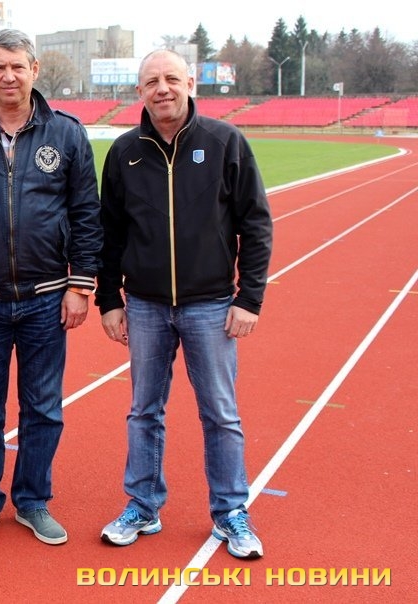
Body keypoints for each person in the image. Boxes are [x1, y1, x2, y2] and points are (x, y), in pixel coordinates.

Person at [95, 49, 273, 559]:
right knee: (143, 412)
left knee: (220, 413)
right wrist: (109, 299)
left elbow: (256, 223)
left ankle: (231, 511)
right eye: (152, 81)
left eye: (171, 78)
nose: (162, 89)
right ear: (139, 92)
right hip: (145, 305)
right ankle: (143, 505)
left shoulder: (225, 142)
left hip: (210, 304)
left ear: (190, 83)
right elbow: (110, 233)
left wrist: (249, 298)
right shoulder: (125, 152)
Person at [0, 29, 102, 548]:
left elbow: (86, 213)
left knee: (43, 408)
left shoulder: (67, 134)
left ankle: (33, 500)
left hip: (47, 297)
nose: (8, 76)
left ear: (34, 69)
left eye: (17, 66)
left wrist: (81, 284)